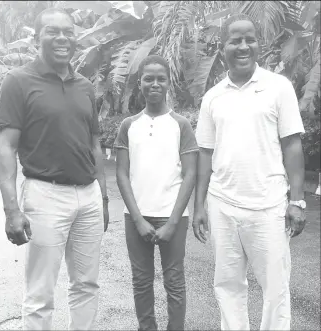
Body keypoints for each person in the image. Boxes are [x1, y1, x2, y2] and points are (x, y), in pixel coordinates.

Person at [0, 8, 109, 331]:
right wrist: (11, 210)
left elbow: (95, 145)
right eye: (52, 31)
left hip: (87, 197)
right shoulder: (18, 82)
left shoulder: (85, 86)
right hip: (45, 195)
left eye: (68, 32)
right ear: (36, 38)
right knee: (40, 293)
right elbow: (6, 150)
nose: (62, 38)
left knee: (87, 284)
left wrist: (101, 198)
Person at [193, 13, 306, 331]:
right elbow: (205, 152)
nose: (242, 46)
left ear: (259, 44)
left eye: (249, 39)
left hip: (268, 205)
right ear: (223, 45)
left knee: (275, 289)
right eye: (234, 40)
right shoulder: (213, 97)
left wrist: (297, 201)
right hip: (223, 205)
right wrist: (198, 205)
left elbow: (292, 146)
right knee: (227, 286)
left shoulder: (278, 88)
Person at [115, 55, 199, 331]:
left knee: (174, 282)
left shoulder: (181, 125)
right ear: (139, 83)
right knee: (141, 281)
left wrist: (173, 221)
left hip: (172, 216)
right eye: (148, 79)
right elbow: (122, 174)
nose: (155, 84)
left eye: (160, 78)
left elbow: (190, 174)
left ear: (168, 83)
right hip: (136, 216)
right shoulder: (129, 125)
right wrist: (138, 219)